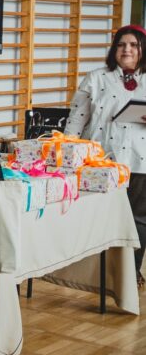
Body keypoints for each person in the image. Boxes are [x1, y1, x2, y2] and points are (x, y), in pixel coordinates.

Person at [65, 25, 146, 285]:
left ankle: (130, 273)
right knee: (100, 217)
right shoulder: (96, 78)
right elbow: (76, 119)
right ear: (114, 49)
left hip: (141, 160)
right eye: (122, 44)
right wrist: (67, 154)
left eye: (134, 45)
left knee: (139, 219)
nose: (127, 49)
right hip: (103, 162)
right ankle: (96, 275)